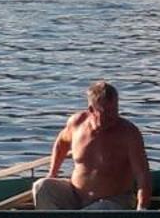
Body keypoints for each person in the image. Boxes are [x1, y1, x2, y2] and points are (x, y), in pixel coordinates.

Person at [32, 80, 151, 210]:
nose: (113, 116)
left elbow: (142, 174)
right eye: (106, 112)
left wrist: (141, 209)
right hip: (75, 194)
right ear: (91, 110)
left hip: (112, 201)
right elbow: (61, 143)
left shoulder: (129, 133)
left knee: (100, 210)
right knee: (42, 187)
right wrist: (52, 173)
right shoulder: (76, 123)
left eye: (115, 110)